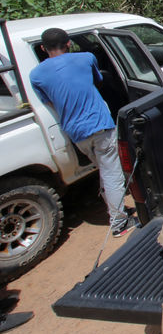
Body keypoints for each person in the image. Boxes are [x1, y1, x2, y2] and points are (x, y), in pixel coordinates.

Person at [29, 28, 136, 237]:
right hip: (100, 126)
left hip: (76, 134)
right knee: (112, 174)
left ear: (43, 48)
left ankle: (116, 212)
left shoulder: (36, 75)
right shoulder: (86, 58)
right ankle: (119, 223)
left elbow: (49, 102)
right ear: (69, 43)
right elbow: (97, 81)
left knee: (104, 171)